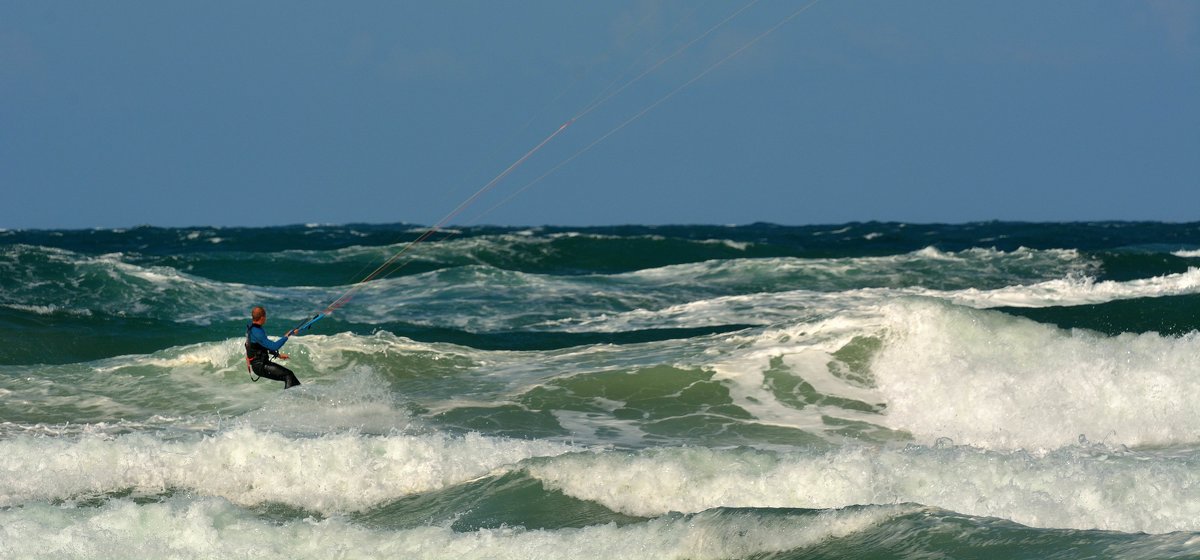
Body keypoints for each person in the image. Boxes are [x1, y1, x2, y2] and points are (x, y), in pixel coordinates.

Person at [244, 306, 301, 389]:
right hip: (261, 366)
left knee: (288, 376)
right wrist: (287, 336)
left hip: (259, 365)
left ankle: (298, 394)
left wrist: (278, 355)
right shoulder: (257, 332)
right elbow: (274, 346)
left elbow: (261, 346)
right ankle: (288, 399)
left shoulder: (252, 329)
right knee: (288, 375)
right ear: (262, 317)